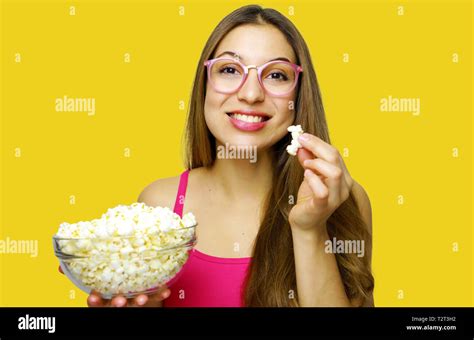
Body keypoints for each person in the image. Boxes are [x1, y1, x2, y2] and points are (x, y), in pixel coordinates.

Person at [78, 4, 374, 307]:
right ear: (204, 86)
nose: (250, 94)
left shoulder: (342, 201)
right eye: (230, 70)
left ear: (298, 98)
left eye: (276, 75)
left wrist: (310, 229)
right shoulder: (159, 206)